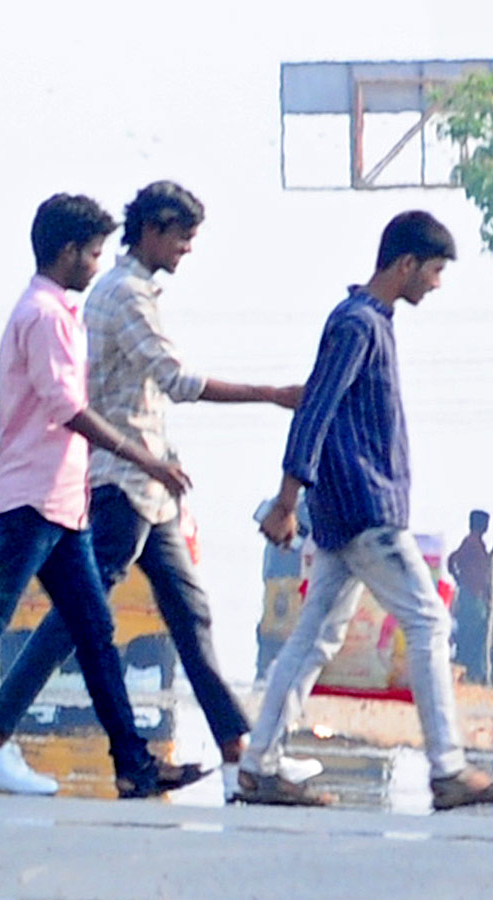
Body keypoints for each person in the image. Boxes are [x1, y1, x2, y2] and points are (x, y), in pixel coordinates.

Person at [0, 192, 207, 798]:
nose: (99, 264)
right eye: (94, 253)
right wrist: (144, 458)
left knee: (96, 632)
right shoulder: (46, 315)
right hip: (32, 499)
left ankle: (133, 764)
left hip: (60, 503)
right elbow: (66, 408)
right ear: (67, 251)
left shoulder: (56, 311)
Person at [0, 181, 301, 790]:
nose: (186, 250)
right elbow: (175, 380)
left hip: (149, 485)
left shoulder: (127, 291)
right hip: (123, 481)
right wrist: (272, 394)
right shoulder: (123, 295)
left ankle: (240, 758)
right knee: (77, 619)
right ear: (151, 231)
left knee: (190, 614)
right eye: (181, 237)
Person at [243, 210, 493, 809]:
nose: (435, 284)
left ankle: (258, 766)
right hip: (364, 511)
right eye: (433, 271)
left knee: (314, 639)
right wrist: (285, 500)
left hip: (347, 513)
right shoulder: (359, 324)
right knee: (430, 622)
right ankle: (448, 770)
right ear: (405, 263)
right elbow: (315, 410)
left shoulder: (368, 321)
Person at [448, 510, 492, 684]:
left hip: (475, 597)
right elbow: (453, 561)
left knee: (475, 635)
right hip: (472, 598)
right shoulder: (471, 543)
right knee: (471, 636)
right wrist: (461, 580)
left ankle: (472, 674)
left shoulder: (476, 544)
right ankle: (469, 674)